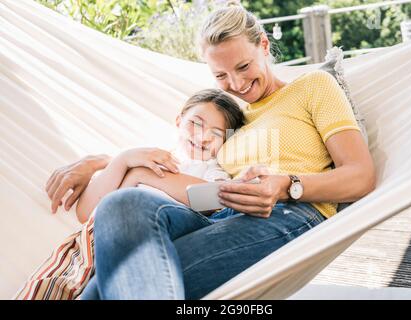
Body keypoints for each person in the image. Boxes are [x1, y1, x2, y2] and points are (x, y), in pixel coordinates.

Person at [45, 4, 375, 300]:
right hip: (216, 216)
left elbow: (361, 176)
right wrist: (102, 162)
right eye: (221, 75)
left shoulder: (312, 87)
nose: (237, 82)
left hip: (286, 214)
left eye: (244, 66)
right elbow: (184, 175)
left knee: (104, 290)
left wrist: (285, 185)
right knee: (122, 204)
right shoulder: (230, 120)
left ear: (263, 45)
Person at [75, 89, 245, 223]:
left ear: (226, 141)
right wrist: (123, 159)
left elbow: (216, 197)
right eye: (195, 123)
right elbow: (85, 213)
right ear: (179, 121)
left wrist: (142, 175)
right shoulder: (144, 154)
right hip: (99, 238)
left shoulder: (211, 169)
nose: (203, 137)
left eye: (216, 133)